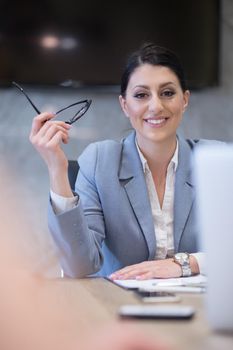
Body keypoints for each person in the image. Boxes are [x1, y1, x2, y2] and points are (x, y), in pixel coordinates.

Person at [30, 43, 217, 279]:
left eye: (167, 93)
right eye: (141, 95)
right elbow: (78, 266)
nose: (156, 106)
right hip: (120, 306)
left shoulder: (216, 161)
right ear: (125, 105)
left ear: (185, 100)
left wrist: (184, 264)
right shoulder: (100, 161)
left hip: (202, 306)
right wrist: (56, 168)